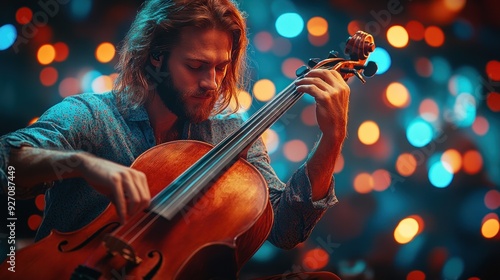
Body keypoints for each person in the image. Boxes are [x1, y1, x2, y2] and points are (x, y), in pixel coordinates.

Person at [0, 0, 349, 278]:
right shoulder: (92, 115)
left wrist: (332, 140)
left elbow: (286, 229)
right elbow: (7, 161)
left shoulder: (232, 133)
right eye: (196, 66)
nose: (211, 83)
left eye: (221, 67)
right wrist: (79, 163)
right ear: (156, 57)